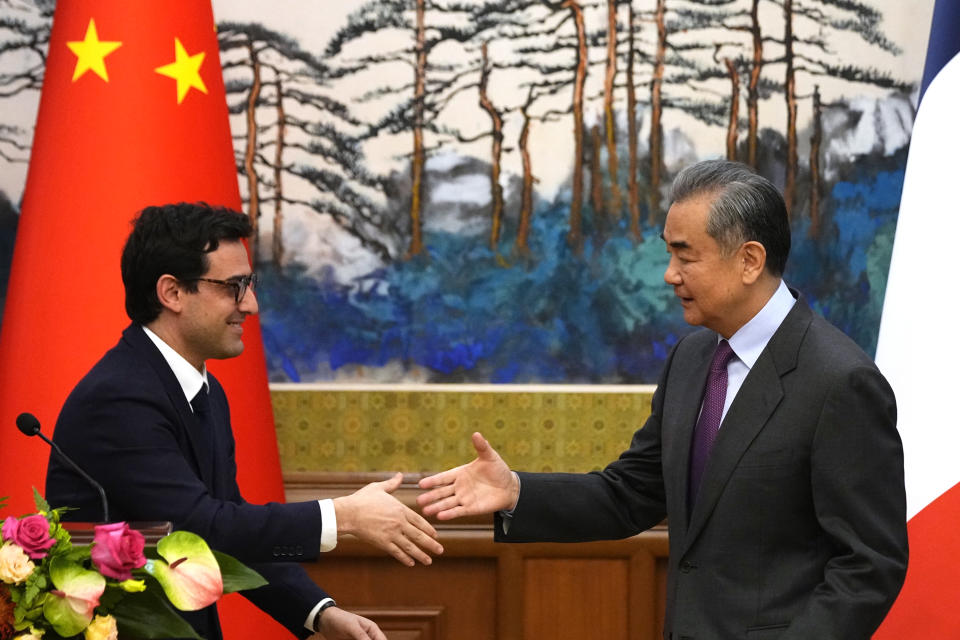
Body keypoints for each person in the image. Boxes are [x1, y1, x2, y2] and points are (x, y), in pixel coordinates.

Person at [418, 160, 908, 639]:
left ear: (749, 260)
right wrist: (518, 491)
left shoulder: (840, 381)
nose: (669, 274)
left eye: (685, 255)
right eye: (668, 254)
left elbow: (869, 565)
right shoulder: (694, 357)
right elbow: (630, 494)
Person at [46, 203, 444, 640]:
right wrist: (341, 516)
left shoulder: (205, 392)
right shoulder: (120, 396)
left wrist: (319, 612)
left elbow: (230, 525)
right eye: (234, 286)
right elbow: (200, 528)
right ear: (172, 293)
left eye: (248, 284)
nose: (250, 305)